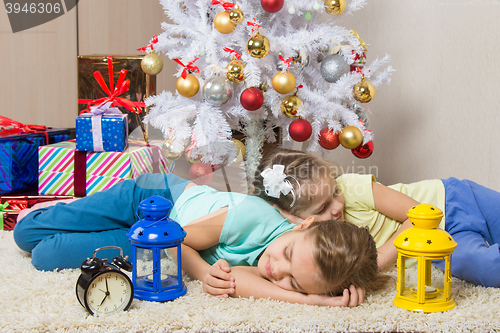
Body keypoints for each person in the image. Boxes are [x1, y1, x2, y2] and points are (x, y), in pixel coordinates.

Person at [13, 173, 383, 306]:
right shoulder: (253, 216)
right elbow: (177, 240)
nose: (275, 269)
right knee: (26, 233)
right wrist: (205, 273)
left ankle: (75, 229)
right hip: (154, 202)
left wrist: (314, 300)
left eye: (293, 281)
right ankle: (60, 207)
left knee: (46, 255)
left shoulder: (279, 265)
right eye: (287, 255)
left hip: (154, 247)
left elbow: (244, 283)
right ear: (303, 225)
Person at [248, 147, 500, 288]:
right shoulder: (307, 250)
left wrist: (373, 264)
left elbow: (420, 219)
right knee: (483, 266)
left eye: (334, 191)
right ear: (296, 220)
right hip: (441, 246)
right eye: (322, 208)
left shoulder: (353, 188)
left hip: (452, 200)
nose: (337, 206)